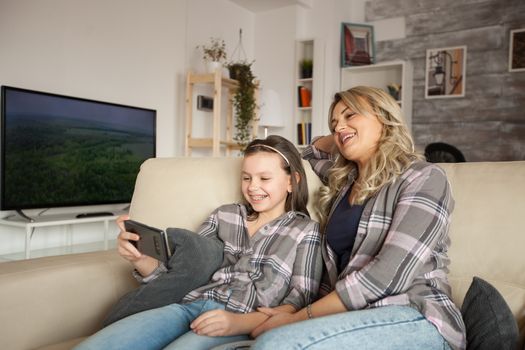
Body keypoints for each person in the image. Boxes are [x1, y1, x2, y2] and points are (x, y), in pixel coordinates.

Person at [228, 86, 466, 350]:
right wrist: (347, 130)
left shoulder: (424, 178)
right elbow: (309, 153)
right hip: (354, 318)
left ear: (384, 117)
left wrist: (297, 318)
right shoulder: (344, 182)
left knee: (274, 345)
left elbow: (387, 276)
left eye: (350, 115)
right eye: (333, 123)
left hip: (415, 315)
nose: (339, 126)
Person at [74, 135, 323, 350]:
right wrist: (140, 259)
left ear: (292, 181)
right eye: (246, 178)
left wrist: (238, 323)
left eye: (264, 178)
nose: (253, 187)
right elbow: (184, 272)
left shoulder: (305, 231)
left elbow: (299, 302)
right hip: (186, 306)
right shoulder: (224, 215)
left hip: (238, 320)